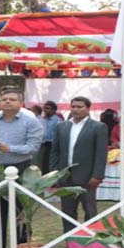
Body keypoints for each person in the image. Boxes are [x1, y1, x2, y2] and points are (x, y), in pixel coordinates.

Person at [0, 89, 44, 248]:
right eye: (4, 99)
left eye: (12, 99)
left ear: (20, 102)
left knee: (20, 209)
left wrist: (11, 149)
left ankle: (21, 246)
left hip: (20, 168)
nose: (7, 102)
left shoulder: (30, 120)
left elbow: (33, 146)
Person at [49, 97, 108, 233]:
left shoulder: (98, 127)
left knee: (90, 210)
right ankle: (70, 240)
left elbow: (101, 154)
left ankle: (92, 240)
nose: (76, 109)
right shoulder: (61, 126)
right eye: (73, 106)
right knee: (67, 211)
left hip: (87, 177)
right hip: (65, 177)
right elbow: (55, 152)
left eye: (80, 107)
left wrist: (97, 175)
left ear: (88, 108)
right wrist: (55, 175)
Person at [34, 100, 62, 173]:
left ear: (53, 110)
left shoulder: (58, 120)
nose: (45, 110)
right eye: (44, 108)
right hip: (43, 144)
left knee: (49, 162)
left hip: (52, 144)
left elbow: (59, 134)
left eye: (48, 108)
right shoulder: (42, 119)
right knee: (42, 162)